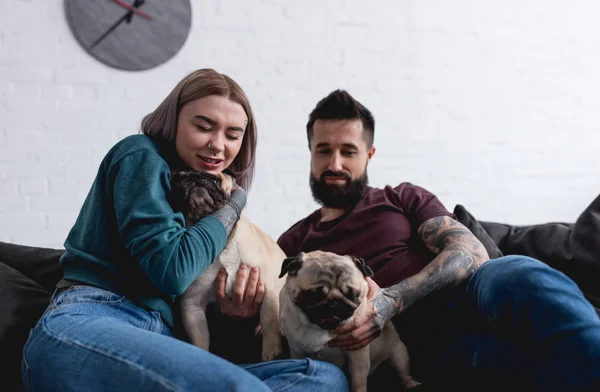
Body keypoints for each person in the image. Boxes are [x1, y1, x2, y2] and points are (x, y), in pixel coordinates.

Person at [21, 69, 349, 392]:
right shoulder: (141, 154)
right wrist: (233, 205)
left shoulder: (198, 194)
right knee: (234, 385)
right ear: (173, 120)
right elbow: (173, 270)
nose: (217, 145)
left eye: (233, 135)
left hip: (161, 336)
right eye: (203, 126)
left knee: (322, 378)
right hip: (93, 317)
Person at [277, 89, 600, 392]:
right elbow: (274, 313)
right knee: (515, 366)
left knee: (520, 273)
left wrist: (391, 300)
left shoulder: (401, 197)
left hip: (476, 291)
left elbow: (471, 252)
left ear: (369, 154)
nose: (335, 164)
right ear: (310, 152)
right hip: (428, 344)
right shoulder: (295, 242)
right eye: (324, 150)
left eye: (348, 151)